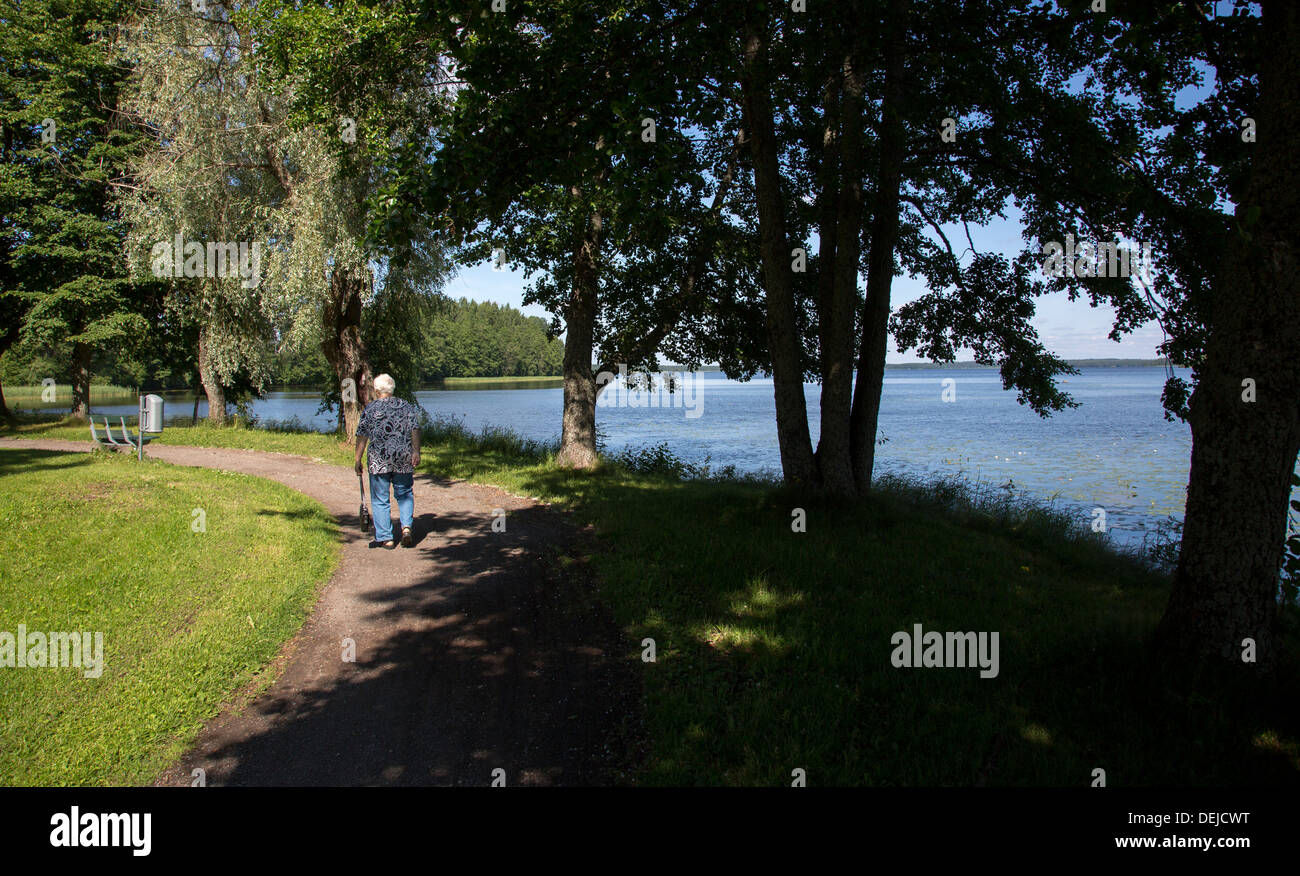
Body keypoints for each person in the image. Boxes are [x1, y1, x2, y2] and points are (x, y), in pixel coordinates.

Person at [354, 374, 421, 548]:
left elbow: (362, 435)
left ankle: (386, 537)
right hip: (402, 457)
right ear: (392, 389)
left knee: (380, 498)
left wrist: (357, 458)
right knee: (405, 493)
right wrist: (416, 451)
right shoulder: (405, 406)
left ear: (377, 391)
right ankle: (406, 528)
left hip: (379, 460)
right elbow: (415, 429)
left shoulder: (371, 408)